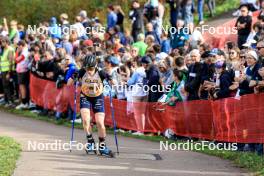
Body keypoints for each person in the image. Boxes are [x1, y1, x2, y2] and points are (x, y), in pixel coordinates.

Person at [67, 55, 113, 156]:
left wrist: (110, 78)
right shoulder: (82, 71)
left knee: (100, 123)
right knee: (85, 120)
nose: (89, 70)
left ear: (95, 66)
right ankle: (90, 142)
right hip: (85, 97)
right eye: (87, 68)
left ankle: (102, 146)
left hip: (97, 97)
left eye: (91, 68)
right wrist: (73, 76)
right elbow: (68, 83)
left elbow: (113, 83)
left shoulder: (100, 72)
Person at [0, 37, 15, 107]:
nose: (2, 43)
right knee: (4, 86)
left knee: (7, 86)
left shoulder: (10, 50)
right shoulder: (3, 49)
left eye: (3, 42)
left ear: (7, 42)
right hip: (3, 70)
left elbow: (11, 62)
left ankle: (10, 102)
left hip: (7, 70)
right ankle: (6, 100)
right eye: (2, 42)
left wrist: (9, 73)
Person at [15, 40, 30, 109]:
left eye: (19, 46)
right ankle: (24, 102)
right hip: (21, 71)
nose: (18, 47)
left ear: (22, 45)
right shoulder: (24, 51)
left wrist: (17, 53)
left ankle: (24, 103)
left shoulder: (25, 52)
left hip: (23, 71)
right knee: (22, 86)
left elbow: (16, 60)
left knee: (22, 86)